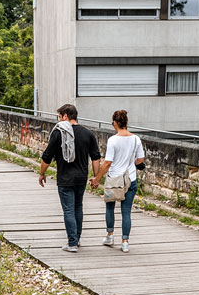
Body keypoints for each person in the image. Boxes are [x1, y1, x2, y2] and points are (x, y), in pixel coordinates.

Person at [39, 104, 101, 253]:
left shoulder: (59, 132)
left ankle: (72, 243)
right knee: (78, 207)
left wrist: (42, 173)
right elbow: (96, 157)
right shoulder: (88, 133)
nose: (59, 120)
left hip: (65, 177)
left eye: (60, 117)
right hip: (81, 177)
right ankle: (77, 239)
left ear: (66, 115)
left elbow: (47, 156)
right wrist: (96, 177)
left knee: (68, 210)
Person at [91, 110, 145, 253]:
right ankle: (125, 242)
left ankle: (110, 236)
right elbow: (140, 160)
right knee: (126, 212)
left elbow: (108, 163)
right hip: (130, 179)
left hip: (114, 179)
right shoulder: (136, 139)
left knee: (110, 208)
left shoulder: (113, 140)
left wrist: (97, 178)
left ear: (115, 123)